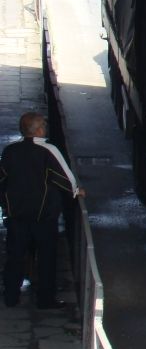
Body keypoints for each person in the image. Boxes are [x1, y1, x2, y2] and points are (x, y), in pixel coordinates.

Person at [0, 112, 84, 308]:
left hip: (16, 214)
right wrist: (76, 191)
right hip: (43, 215)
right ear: (38, 130)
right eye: (43, 126)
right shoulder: (48, 150)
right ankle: (45, 299)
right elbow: (64, 176)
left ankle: (11, 296)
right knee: (46, 257)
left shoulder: (10, 151)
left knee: (15, 256)